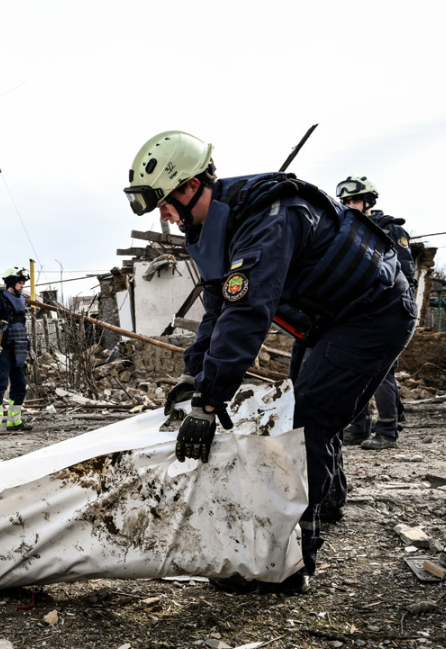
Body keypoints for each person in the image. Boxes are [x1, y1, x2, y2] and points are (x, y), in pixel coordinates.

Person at [123, 131, 417, 592]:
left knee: (307, 424)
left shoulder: (267, 219)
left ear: (191, 186)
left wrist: (209, 403)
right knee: (301, 411)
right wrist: (192, 375)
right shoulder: (211, 229)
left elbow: (247, 314)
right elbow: (219, 309)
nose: (164, 216)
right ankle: (325, 500)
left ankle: (288, 563)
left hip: (373, 314)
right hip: (326, 320)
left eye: (164, 204)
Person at [336, 176, 416, 450]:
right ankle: (359, 427)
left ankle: (387, 431)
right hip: (358, 310)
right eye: (345, 202)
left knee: (381, 373)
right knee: (354, 370)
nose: (350, 205)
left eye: (355, 200)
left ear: (368, 202)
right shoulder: (348, 230)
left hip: (387, 310)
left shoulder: (389, 229)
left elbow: (405, 273)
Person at [0, 266, 33, 433]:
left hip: (19, 349)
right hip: (2, 350)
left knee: (20, 385)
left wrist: (29, 347)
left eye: (23, 283)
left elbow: (21, 326)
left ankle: (14, 421)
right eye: (20, 282)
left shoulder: (22, 300)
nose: (22, 285)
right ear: (11, 282)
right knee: (0, 384)